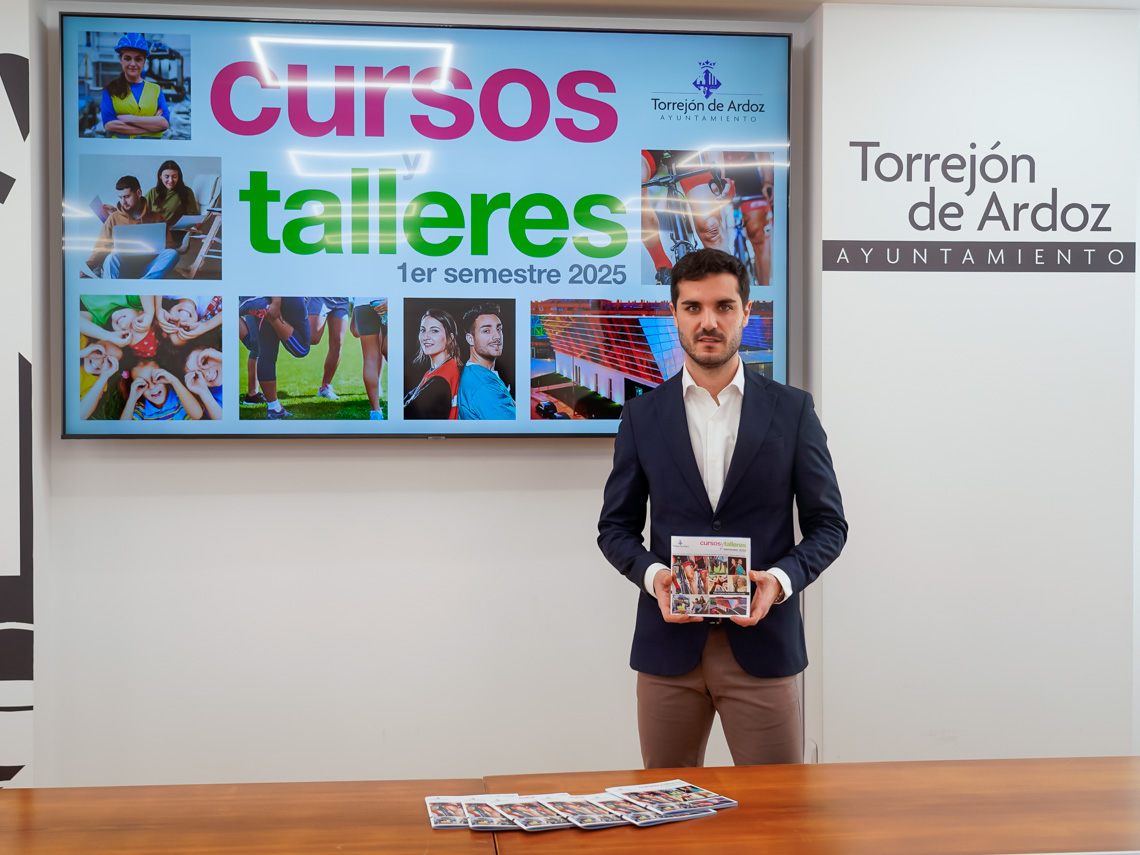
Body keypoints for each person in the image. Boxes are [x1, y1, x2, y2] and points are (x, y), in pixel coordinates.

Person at [597, 247, 847, 769]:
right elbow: (615, 529)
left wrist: (780, 580)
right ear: (675, 315)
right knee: (666, 817)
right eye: (693, 308)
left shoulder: (793, 410)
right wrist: (654, 575)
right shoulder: (642, 416)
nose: (708, 322)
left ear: (746, 313)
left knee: (776, 823)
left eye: (724, 306)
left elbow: (829, 525)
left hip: (764, 647)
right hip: (669, 649)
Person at [84, 176, 178, 279]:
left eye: (127, 196)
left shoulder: (157, 218)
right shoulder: (113, 218)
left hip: (148, 268)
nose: (123, 202)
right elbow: (100, 248)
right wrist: (87, 267)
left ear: (139, 193)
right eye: (120, 198)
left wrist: (155, 247)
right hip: (124, 268)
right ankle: (117, 291)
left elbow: (169, 246)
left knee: (172, 254)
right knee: (111, 258)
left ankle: (143, 284)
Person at [238, 297, 311, 420]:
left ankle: (274, 408)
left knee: (266, 352)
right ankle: (266, 309)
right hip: (285, 295)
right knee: (302, 348)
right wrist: (276, 302)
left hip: (262, 296)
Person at [100, 33, 170, 139]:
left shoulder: (156, 90)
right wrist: (151, 127)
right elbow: (109, 125)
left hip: (150, 151)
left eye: (138, 59)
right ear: (120, 60)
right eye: (127, 58)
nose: (133, 64)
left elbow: (164, 123)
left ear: (144, 61)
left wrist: (128, 118)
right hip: (120, 151)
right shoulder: (110, 90)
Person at [457, 303, 515, 420]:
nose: (497, 336)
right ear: (470, 339)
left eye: (499, 329)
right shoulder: (485, 387)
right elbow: (516, 434)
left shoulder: (475, 373)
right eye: (486, 330)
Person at [403, 308, 460, 420]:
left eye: (434, 331)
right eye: (423, 330)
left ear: (450, 338)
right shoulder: (439, 370)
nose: (426, 337)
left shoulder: (440, 379)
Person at [307, 297, 351, 400]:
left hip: (342, 299)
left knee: (338, 343)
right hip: (321, 295)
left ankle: (325, 387)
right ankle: (282, 326)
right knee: (312, 338)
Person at [351, 298, 388, 420]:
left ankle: (375, 412)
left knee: (370, 359)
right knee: (395, 354)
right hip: (385, 300)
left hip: (363, 303)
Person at [145, 160, 199, 228]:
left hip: (177, 232)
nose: (171, 180)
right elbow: (142, 213)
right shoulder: (152, 192)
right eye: (167, 177)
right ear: (160, 176)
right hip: (155, 230)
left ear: (179, 176)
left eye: (174, 177)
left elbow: (193, 217)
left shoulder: (187, 192)